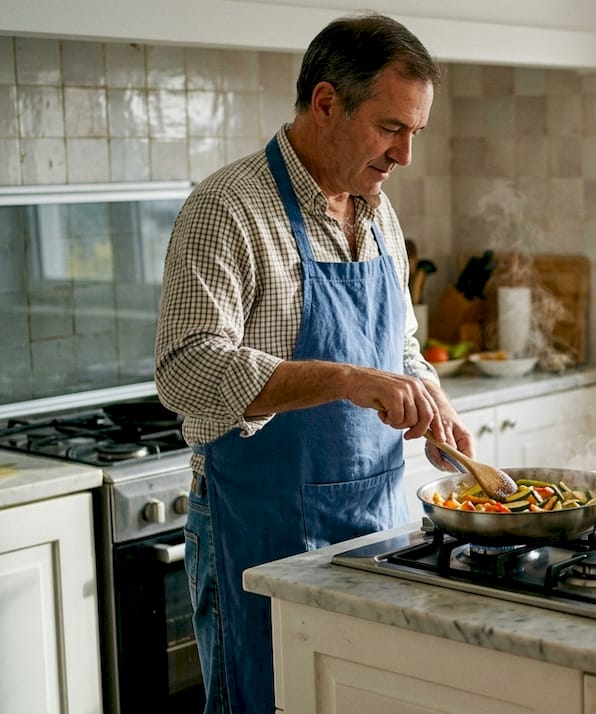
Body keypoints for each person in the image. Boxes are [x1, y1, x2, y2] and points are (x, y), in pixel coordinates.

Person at [154, 13, 470, 713]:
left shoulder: (378, 210)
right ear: (327, 103)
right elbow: (185, 369)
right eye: (392, 128)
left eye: (415, 132)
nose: (405, 155)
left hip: (374, 520)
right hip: (260, 525)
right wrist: (347, 379)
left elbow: (401, 346)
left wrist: (430, 398)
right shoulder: (227, 209)